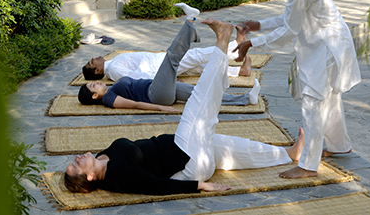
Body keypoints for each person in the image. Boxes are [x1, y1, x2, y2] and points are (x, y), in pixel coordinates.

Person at [64, 18, 305, 195]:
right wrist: (200, 186)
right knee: (200, 103)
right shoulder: (118, 176)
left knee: (234, 147)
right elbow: (156, 186)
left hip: (190, 152)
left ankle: (288, 154)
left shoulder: (101, 157)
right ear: (90, 176)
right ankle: (222, 40)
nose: (76, 157)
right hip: (186, 159)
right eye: (76, 164)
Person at [232, 0, 361, 179]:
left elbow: (290, 29)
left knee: (313, 103)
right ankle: (340, 146)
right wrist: (258, 25)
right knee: (329, 99)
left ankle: (308, 166)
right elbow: (292, 17)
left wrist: (252, 42)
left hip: (327, 48)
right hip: (327, 43)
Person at [78, 15, 261, 111]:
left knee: (201, 93)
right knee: (174, 57)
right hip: (156, 93)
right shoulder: (110, 98)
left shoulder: (112, 85)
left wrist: (168, 81)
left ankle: (246, 99)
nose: (99, 83)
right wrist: (161, 107)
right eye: (94, 85)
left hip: (159, 86)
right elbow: (136, 105)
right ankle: (191, 21)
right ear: (94, 96)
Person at [81, 4, 252, 81]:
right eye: (92, 62)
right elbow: (139, 77)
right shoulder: (114, 70)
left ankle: (238, 71)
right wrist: (167, 79)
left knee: (198, 67)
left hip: (160, 62)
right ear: (97, 70)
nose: (94, 57)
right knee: (196, 55)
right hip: (161, 67)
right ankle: (235, 50)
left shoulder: (112, 66)